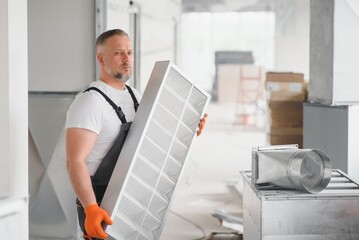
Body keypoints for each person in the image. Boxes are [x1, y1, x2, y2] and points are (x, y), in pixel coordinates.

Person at [66, 29, 207, 240]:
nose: (126, 59)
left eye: (130, 53)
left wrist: (187, 129)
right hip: (101, 203)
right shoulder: (91, 102)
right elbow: (75, 161)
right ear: (101, 58)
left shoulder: (134, 95)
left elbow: (147, 141)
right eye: (118, 53)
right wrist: (90, 208)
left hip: (131, 197)